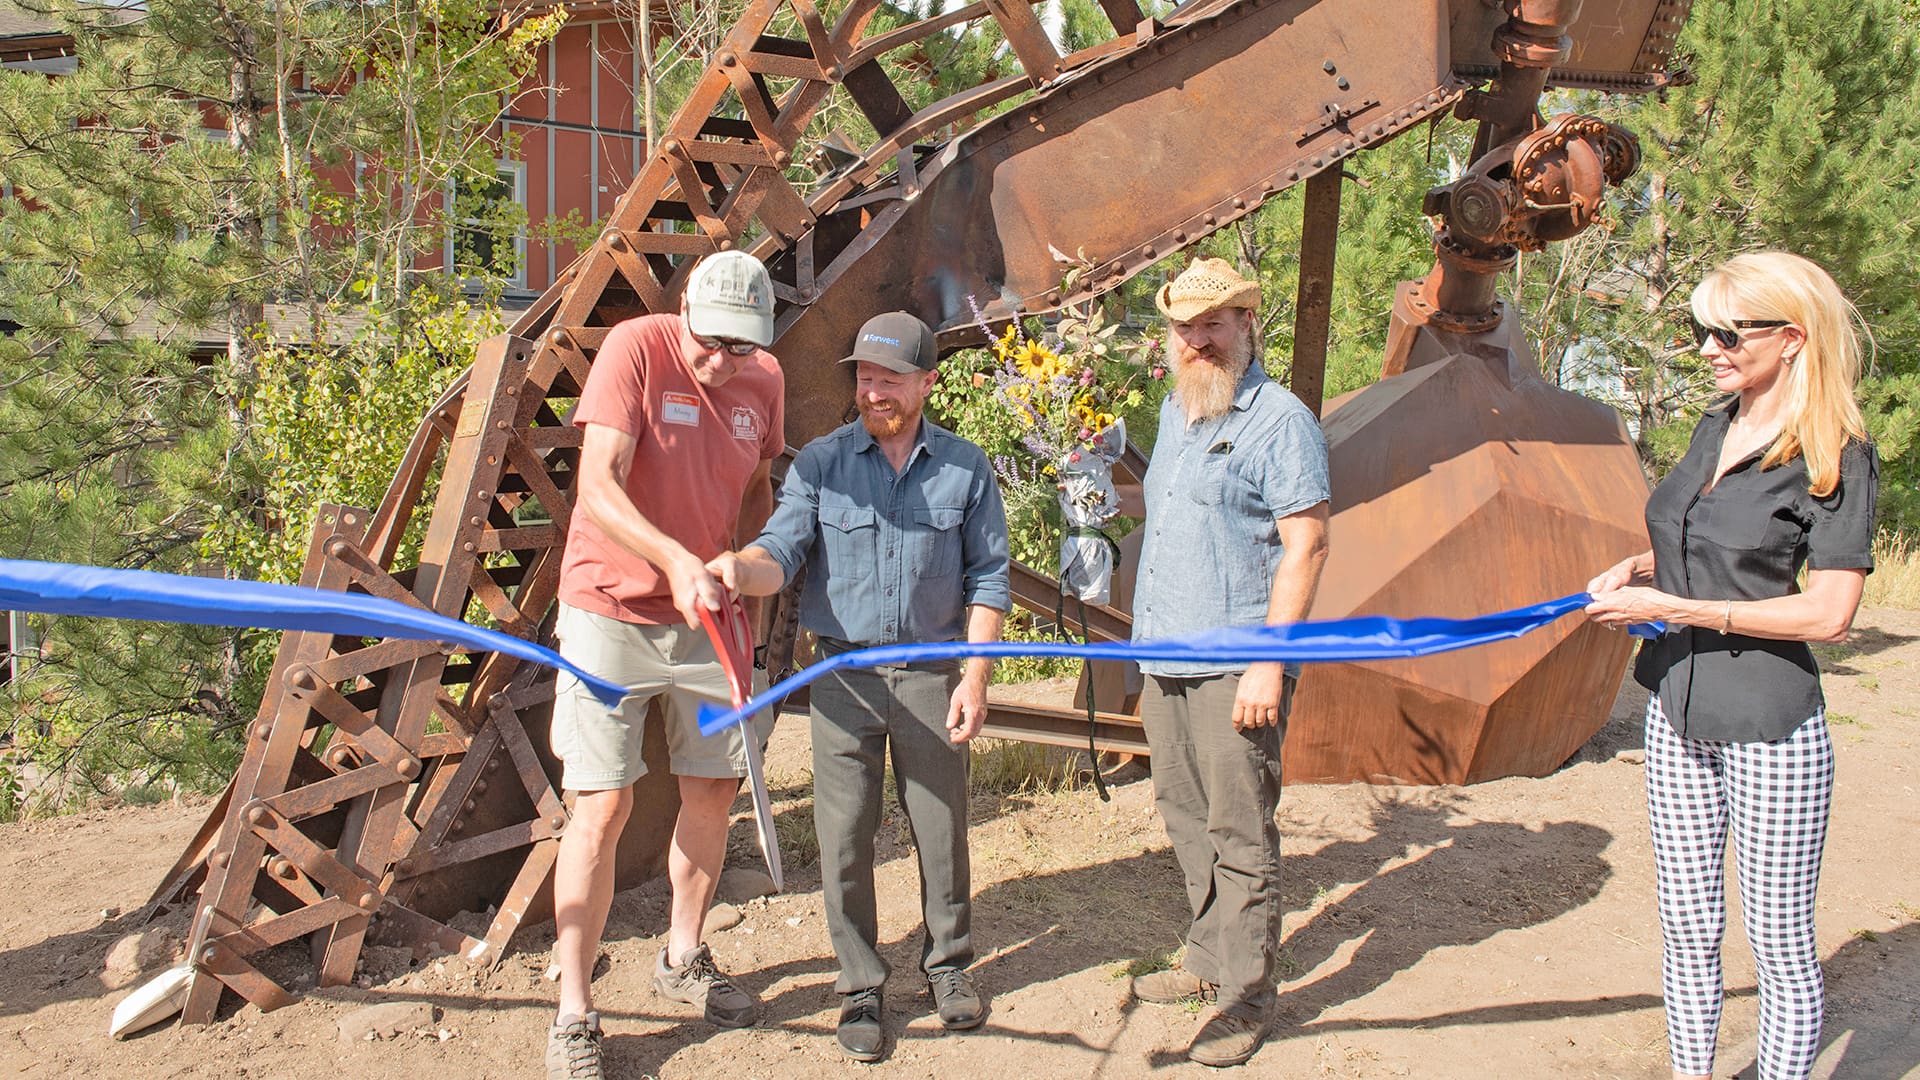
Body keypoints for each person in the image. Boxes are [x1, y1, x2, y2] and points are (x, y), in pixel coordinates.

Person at [1585, 251, 1877, 1080]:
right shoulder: (1719, 421)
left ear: (1791, 338)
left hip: (1768, 727)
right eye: (1699, 330)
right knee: (1686, 925)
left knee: (1779, 940)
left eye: (1726, 332)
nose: (1708, 348)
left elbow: (1829, 612)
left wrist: (1673, 609)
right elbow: (1701, 540)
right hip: (1675, 708)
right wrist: (1639, 567)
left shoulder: (1835, 452)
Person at [708, 311, 1011, 1062]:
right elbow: (781, 548)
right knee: (844, 841)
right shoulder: (820, 465)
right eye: (864, 378)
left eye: (888, 379)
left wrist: (975, 676)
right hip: (841, 676)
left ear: (926, 383)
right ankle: (860, 989)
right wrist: (739, 569)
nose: (871, 392)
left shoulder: (967, 469)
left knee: (940, 830)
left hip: (932, 675)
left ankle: (947, 967)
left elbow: (990, 578)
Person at [544, 250, 785, 1080]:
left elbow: (757, 491)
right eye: (711, 342)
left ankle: (684, 955)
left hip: (707, 619)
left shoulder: (764, 379)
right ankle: (575, 1010)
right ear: (684, 312)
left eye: (741, 347)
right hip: (609, 608)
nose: (723, 362)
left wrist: (740, 568)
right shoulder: (636, 349)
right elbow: (598, 486)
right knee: (602, 806)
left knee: (713, 788)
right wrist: (674, 558)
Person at [1113, 257, 1330, 1068]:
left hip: (1238, 658)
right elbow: (1172, 510)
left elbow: (1306, 545)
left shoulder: (1281, 421)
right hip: (1163, 647)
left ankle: (1246, 997)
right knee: (1183, 809)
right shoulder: (1178, 411)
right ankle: (1207, 957)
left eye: (1214, 323)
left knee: (1241, 829)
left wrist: (1269, 666)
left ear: (1246, 325)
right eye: (1184, 326)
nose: (1197, 339)